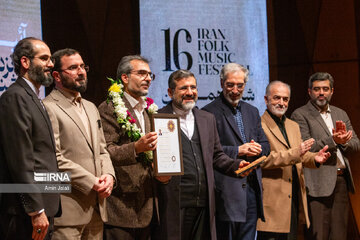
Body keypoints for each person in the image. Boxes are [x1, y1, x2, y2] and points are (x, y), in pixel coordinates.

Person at [154, 69, 251, 240]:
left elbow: (217, 155)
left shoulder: (206, 118)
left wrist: (236, 165)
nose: (190, 92)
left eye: (193, 87)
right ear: (170, 92)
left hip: (204, 203)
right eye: (183, 88)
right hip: (175, 202)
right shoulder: (159, 118)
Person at [43, 48, 115, 239]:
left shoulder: (91, 107)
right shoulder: (48, 107)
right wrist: (92, 182)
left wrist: (108, 176)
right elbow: (54, 158)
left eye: (83, 66)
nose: (81, 71)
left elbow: (102, 150)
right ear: (57, 75)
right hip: (68, 210)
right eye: (73, 68)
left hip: (97, 210)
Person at [0, 37, 61, 240]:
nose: (51, 64)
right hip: (24, 212)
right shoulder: (15, 97)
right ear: (25, 62)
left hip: (42, 207)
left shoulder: (33, 97)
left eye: (50, 59)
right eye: (44, 58)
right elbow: (21, 159)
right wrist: (36, 210)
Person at [202, 63, 270, 240]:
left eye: (240, 85)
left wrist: (257, 148)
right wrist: (238, 150)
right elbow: (207, 151)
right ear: (221, 83)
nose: (235, 90)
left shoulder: (252, 111)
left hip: (252, 191)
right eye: (230, 85)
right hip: (226, 192)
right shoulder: (208, 112)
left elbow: (266, 146)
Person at [98, 55, 162, 240]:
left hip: (148, 205)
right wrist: (135, 148)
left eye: (150, 75)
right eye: (141, 73)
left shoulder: (149, 109)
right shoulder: (109, 107)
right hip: (121, 207)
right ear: (124, 78)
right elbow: (106, 151)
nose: (148, 78)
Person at [256, 81, 330, 240]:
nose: (281, 103)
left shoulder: (292, 125)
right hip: (272, 201)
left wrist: (314, 158)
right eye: (277, 98)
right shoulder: (258, 125)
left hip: (294, 197)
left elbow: (301, 155)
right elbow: (262, 160)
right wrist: (297, 153)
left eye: (285, 99)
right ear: (266, 99)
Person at [291, 72, 360, 240]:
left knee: (339, 234)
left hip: (341, 181)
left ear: (332, 91)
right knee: (318, 234)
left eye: (325, 89)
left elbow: (356, 143)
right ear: (309, 92)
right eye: (317, 89)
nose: (321, 93)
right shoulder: (300, 115)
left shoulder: (340, 113)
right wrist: (333, 140)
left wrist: (343, 142)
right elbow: (307, 146)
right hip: (317, 182)